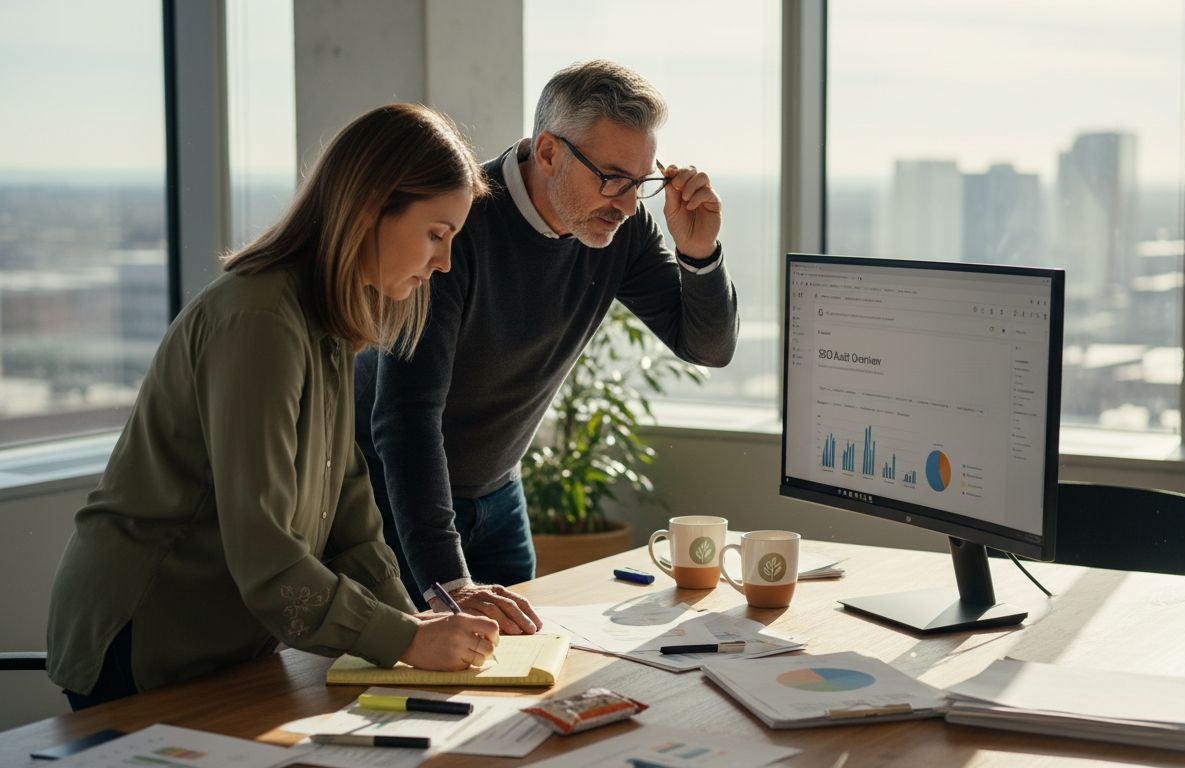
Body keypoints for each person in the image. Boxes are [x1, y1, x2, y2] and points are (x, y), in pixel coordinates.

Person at [46, 103, 500, 710]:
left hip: (223, 641)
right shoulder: (260, 321)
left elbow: (349, 510)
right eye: (436, 235)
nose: (443, 262)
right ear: (370, 208)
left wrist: (416, 627)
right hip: (145, 640)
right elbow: (265, 551)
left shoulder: (328, 321)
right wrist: (402, 639)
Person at [355, 60, 738, 624]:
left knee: (523, 676)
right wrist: (452, 583)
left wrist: (699, 255)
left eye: (640, 183)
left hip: (500, 494)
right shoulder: (457, 228)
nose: (629, 204)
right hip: (396, 500)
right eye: (612, 178)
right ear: (550, 152)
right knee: (412, 690)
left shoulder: (620, 228)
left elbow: (706, 348)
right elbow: (406, 417)